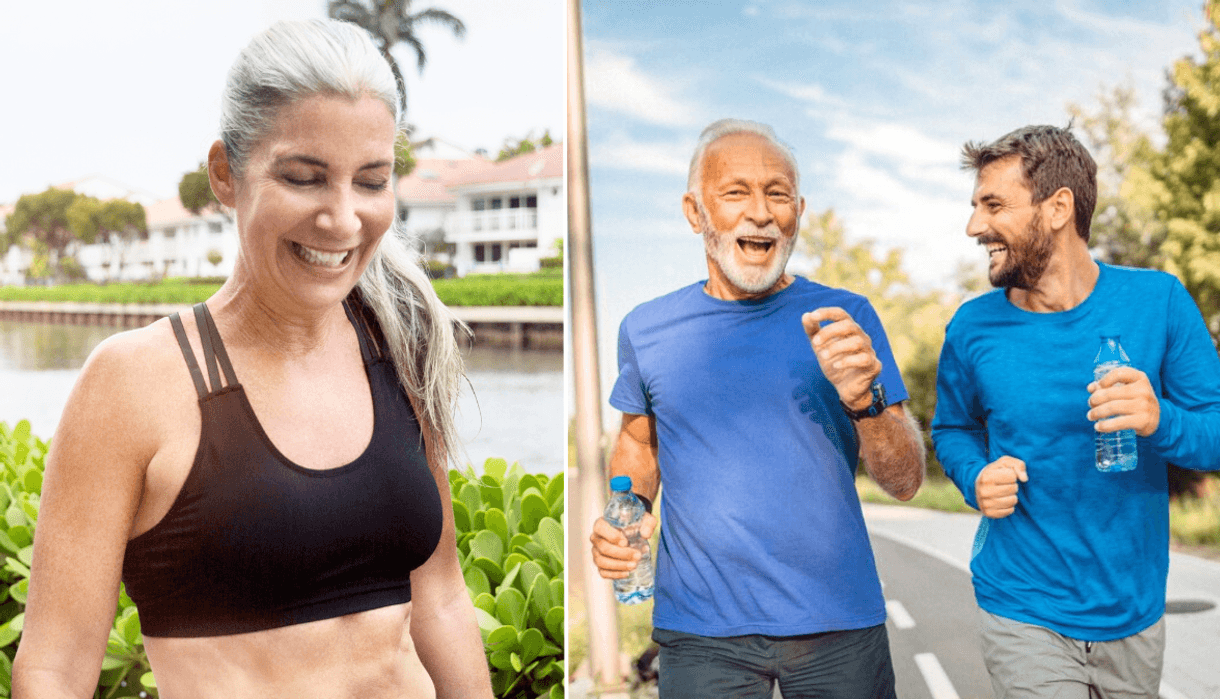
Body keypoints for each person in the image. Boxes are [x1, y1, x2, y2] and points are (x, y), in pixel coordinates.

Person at [13, 19, 492, 699]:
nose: (343, 218)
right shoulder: (135, 382)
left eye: (370, 180)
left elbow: (440, 597)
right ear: (225, 175)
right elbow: (54, 668)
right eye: (305, 178)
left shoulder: (398, 342)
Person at [589, 119, 926, 698]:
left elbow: (906, 481)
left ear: (799, 211)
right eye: (736, 192)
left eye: (778, 193)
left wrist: (865, 404)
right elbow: (640, 443)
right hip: (699, 633)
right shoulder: (646, 329)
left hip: (839, 624)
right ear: (696, 213)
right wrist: (629, 508)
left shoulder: (846, 319)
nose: (761, 212)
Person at [932, 124, 1220, 698]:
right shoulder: (972, 327)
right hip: (1022, 601)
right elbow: (952, 427)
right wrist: (975, 476)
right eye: (975, 206)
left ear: (1057, 208)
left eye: (993, 205)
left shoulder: (1160, 301)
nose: (974, 226)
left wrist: (1160, 420)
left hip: (1134, 608)